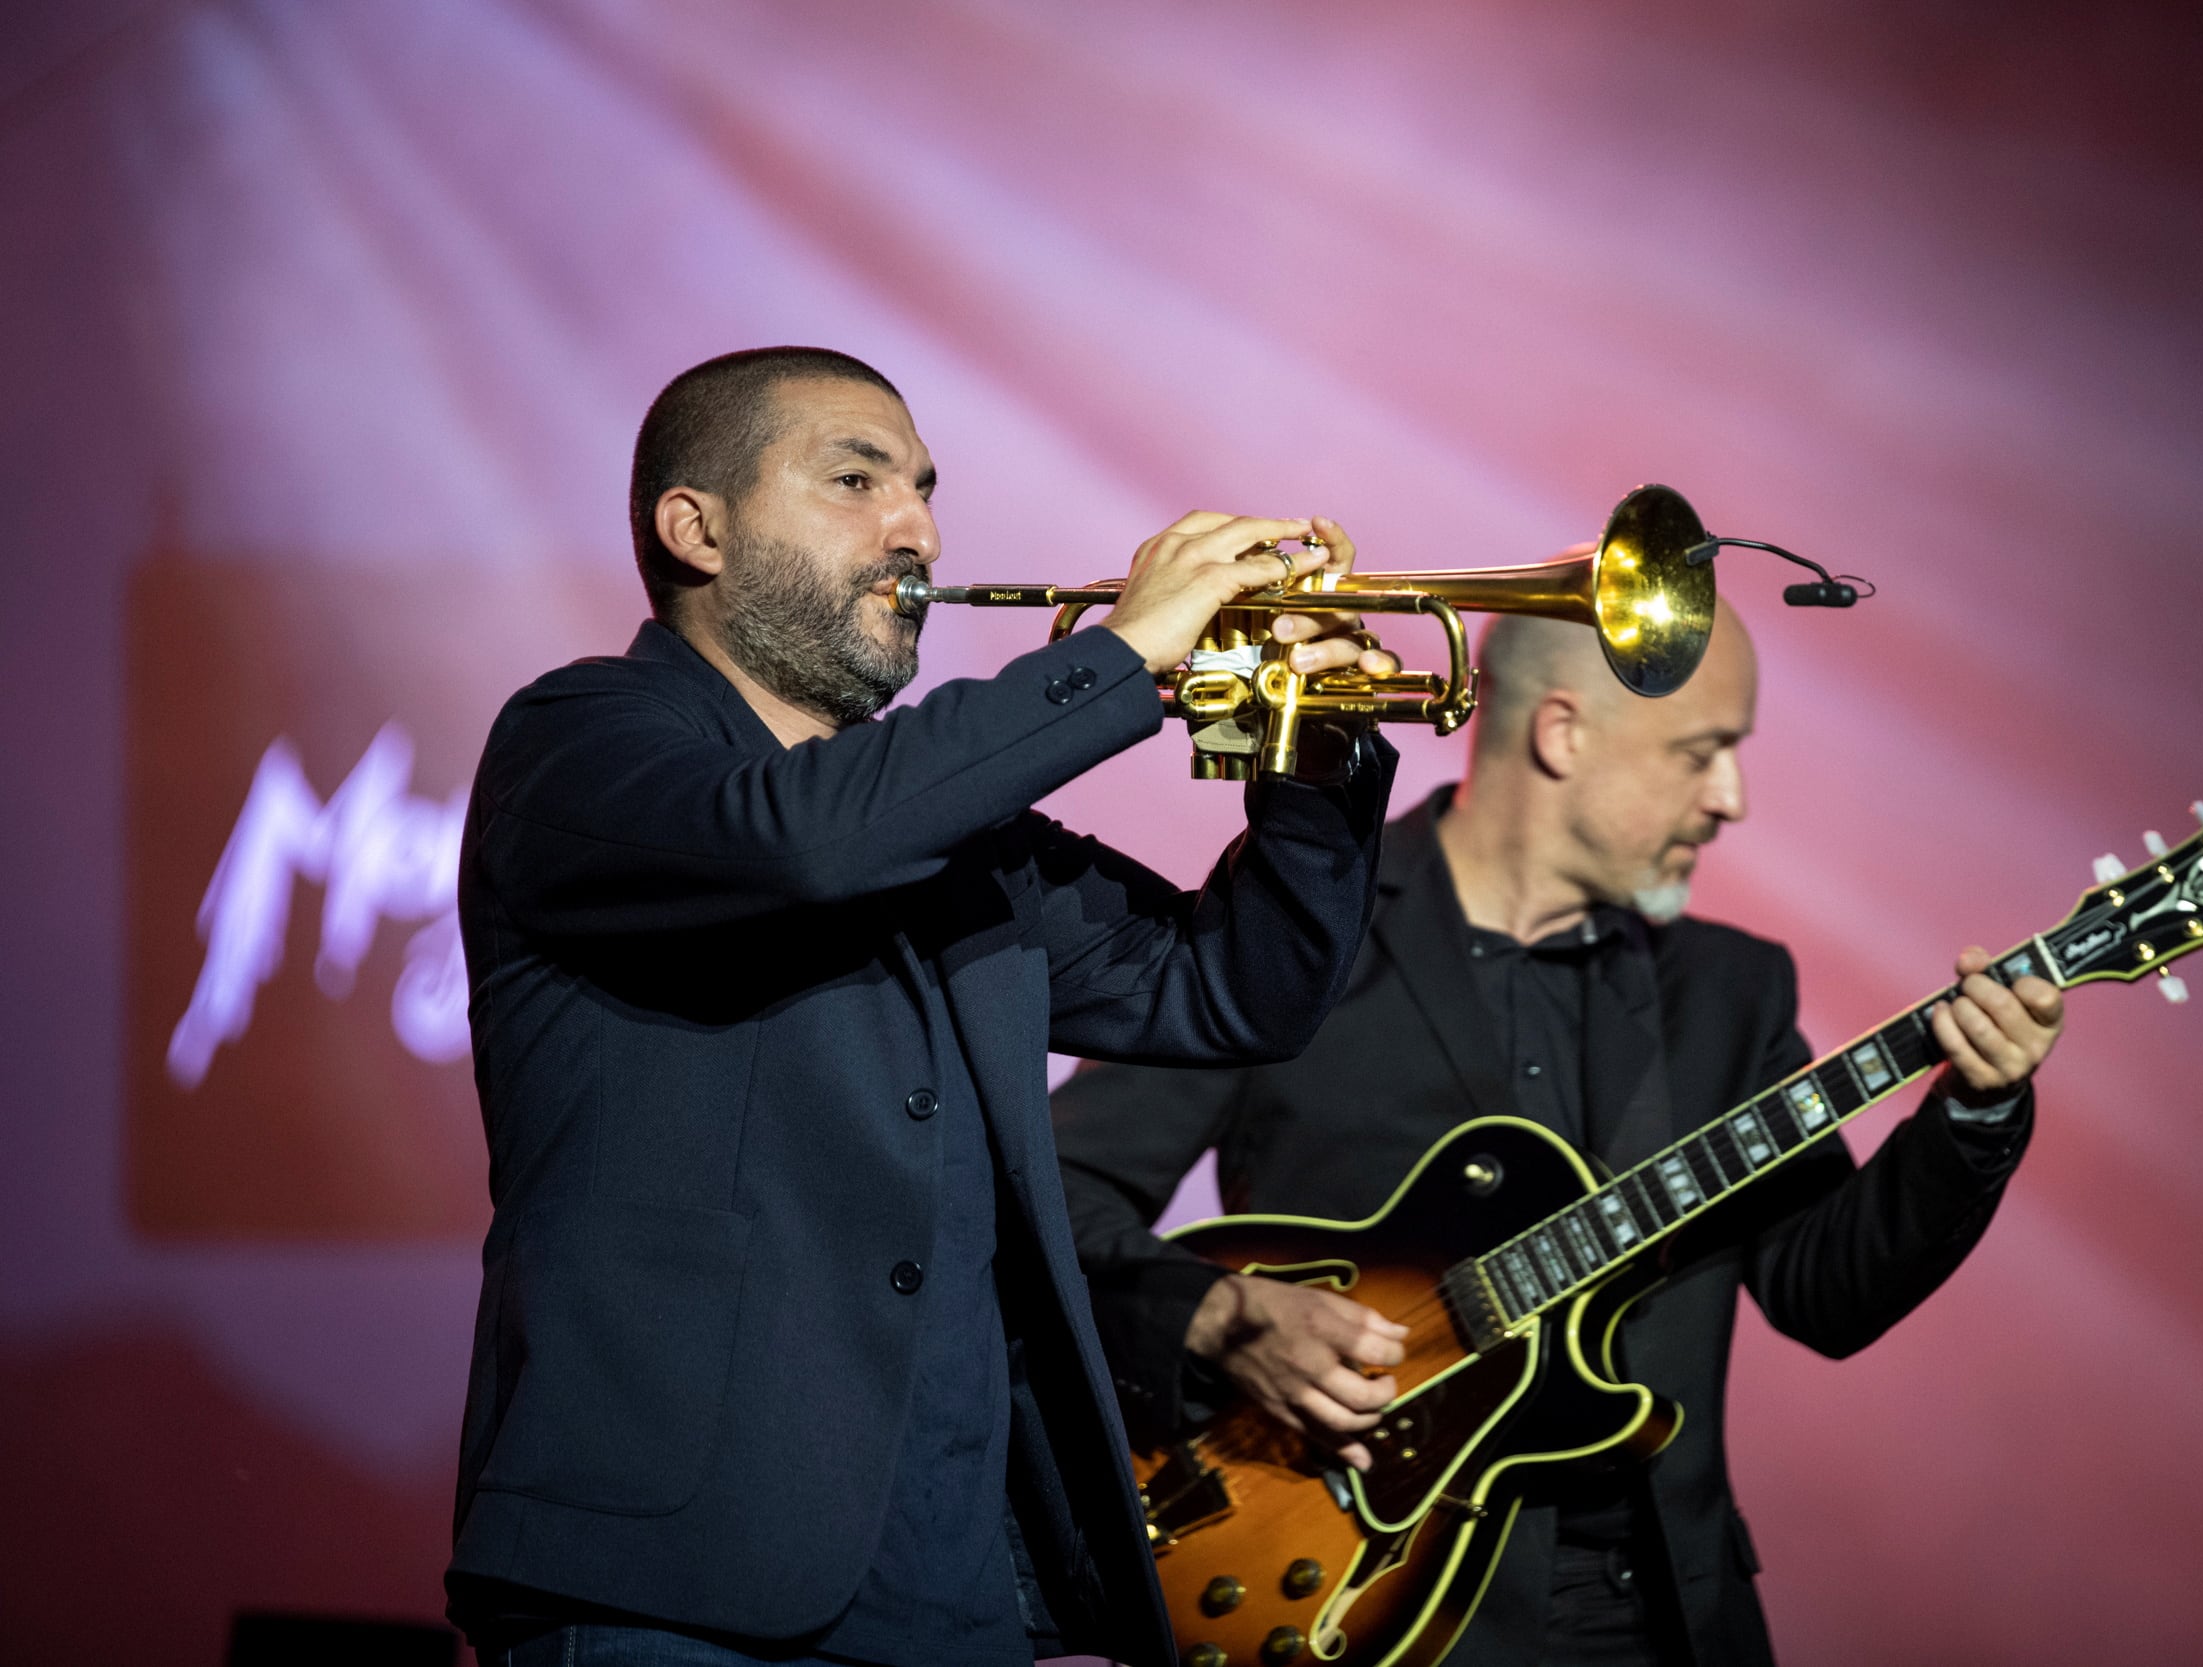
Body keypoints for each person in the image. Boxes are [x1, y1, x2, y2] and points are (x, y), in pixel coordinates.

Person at [445, 345, 1405, 1667]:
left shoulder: (957, 838)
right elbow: (801, 843)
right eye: (857, 479)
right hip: (669, 1589)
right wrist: (1125, 655)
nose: (920, 529)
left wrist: (1319, 743)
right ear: (698, 528)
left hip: (954, 1591)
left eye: (926, 488)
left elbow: (1233, 987)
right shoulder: (578, 739)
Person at [1052, 605, 2066, 1667]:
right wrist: (1217, 1313)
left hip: (1662, 1615)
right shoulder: (1297, 932)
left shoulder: (1728, 988)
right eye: (1701, 751)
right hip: (1355, 1608)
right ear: (1562, 732)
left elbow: (1826, 1291)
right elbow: (1047, 1190)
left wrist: (1976, 1107)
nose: (1732, 797)